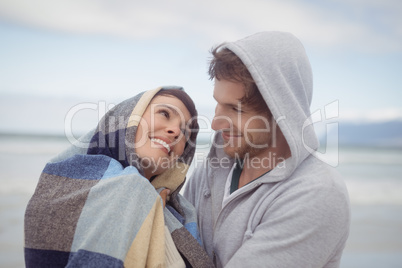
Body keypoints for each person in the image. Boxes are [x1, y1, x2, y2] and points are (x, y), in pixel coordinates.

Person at [184, 31, 351, 267]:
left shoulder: (317, 193)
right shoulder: (213, 169)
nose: (214, 123)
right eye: (218, 104)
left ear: (282, 113)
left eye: (236, 109)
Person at [24, 86, 214, 268]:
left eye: (186, 132)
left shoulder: (181, 215)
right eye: (165, 113)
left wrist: (154, 206)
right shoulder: (76, 189)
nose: (175, 132)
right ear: (128, 118)